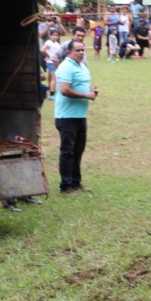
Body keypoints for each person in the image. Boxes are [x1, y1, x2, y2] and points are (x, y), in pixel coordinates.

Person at [54, 41, 98, 193]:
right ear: (69, 52)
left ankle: (75, 182)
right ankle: (65, 186)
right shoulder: (66, 67)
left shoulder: (82, 65)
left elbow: (83, 84)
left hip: (80, 115)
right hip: (66, 117)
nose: (81, 52)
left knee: (78, 149)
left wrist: (91, 91)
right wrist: (86, 95)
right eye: (78, 50)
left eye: (82, 50)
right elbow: (65, 90)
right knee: (67, 151)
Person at [41, 29, 62, 98]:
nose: (55, 37)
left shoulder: (56, 43)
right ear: (50, 36)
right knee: (54, 77)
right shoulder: (49, 42)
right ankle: (52, 94)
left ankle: (49, 89)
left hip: (54, 62)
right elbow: (42, 49)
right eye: (54, 35)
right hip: (51, 62)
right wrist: (48, 56)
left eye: (57, 35)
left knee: (51, 76)